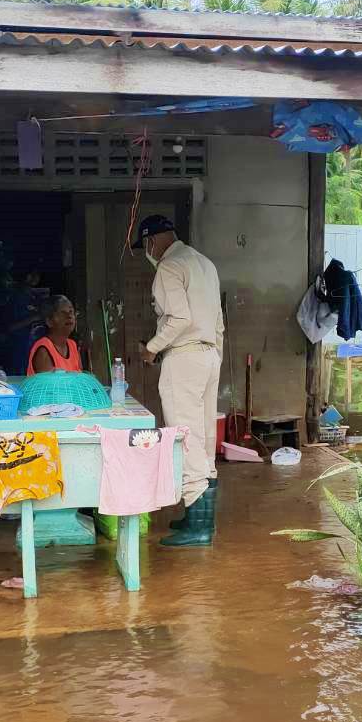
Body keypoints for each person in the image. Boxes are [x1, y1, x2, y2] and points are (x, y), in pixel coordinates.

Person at [133, 214, 224, 547]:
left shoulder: (169, 267)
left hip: (184, 357)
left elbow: (180, 319)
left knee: (186, 437)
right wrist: (214, 357)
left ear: (153, 241)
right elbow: (217, 322)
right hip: (209, 355)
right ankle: (199, 518)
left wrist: (152, 350)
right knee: (203, 436)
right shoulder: (205, 264)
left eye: (146, 244)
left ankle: (199, 528)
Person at [27, 295, 83, 375]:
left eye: (71, 312)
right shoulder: (43, 349)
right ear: (49, 321)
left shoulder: (73, 345)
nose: (69, 316)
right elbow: (49, 386)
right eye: (63, 313)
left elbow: (80, 377)